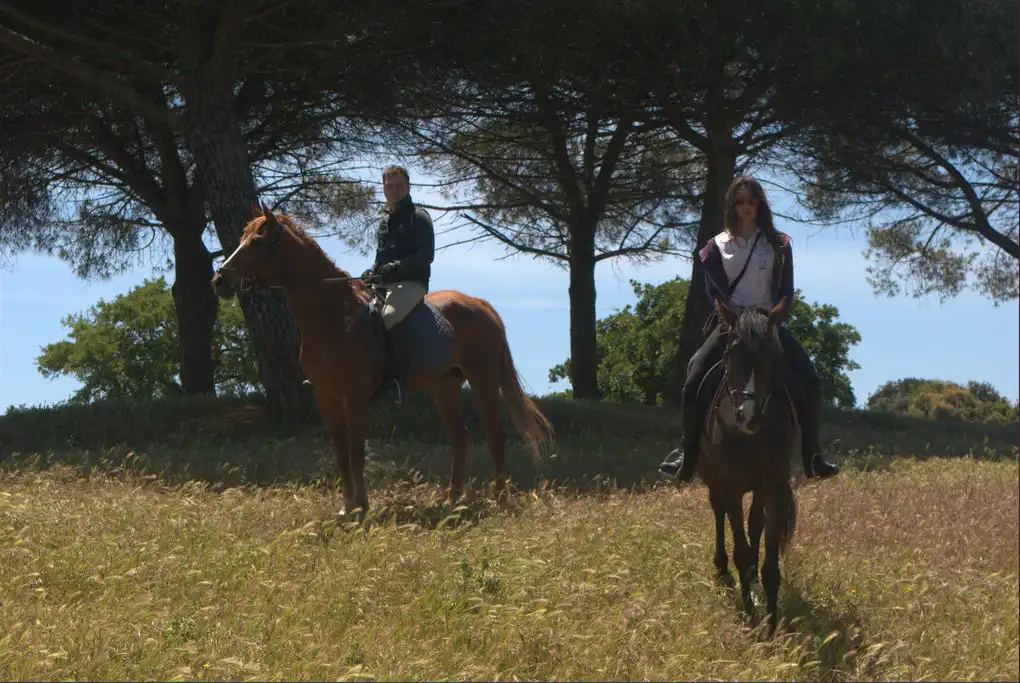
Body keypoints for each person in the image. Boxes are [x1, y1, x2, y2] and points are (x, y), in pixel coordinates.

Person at [658, 175, 840, 482]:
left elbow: (786, 290)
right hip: (732, 324)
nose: (746, 207)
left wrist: (776, 316)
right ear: (732, 205)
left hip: (768, 323)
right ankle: (686, 454)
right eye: (740, 201)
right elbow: (715, 292)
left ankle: (813, 454)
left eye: (751, 201)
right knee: (692, 380)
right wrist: (731, 316)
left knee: (811, 382)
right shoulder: (715, 246)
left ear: (760, 205)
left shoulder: (778, 244)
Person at [360, 165, 436, 403]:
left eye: (399, 185)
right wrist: (371, 272)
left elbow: (426, 256)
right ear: (383, 189)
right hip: (383, 284)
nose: (393, 190)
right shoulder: (384, 219)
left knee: (387, 316)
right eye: (388, 186)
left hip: (412, 283)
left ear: (408, 187)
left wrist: (394, 268)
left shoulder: (419, 216)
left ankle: (396, 380)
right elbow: (381, 257)